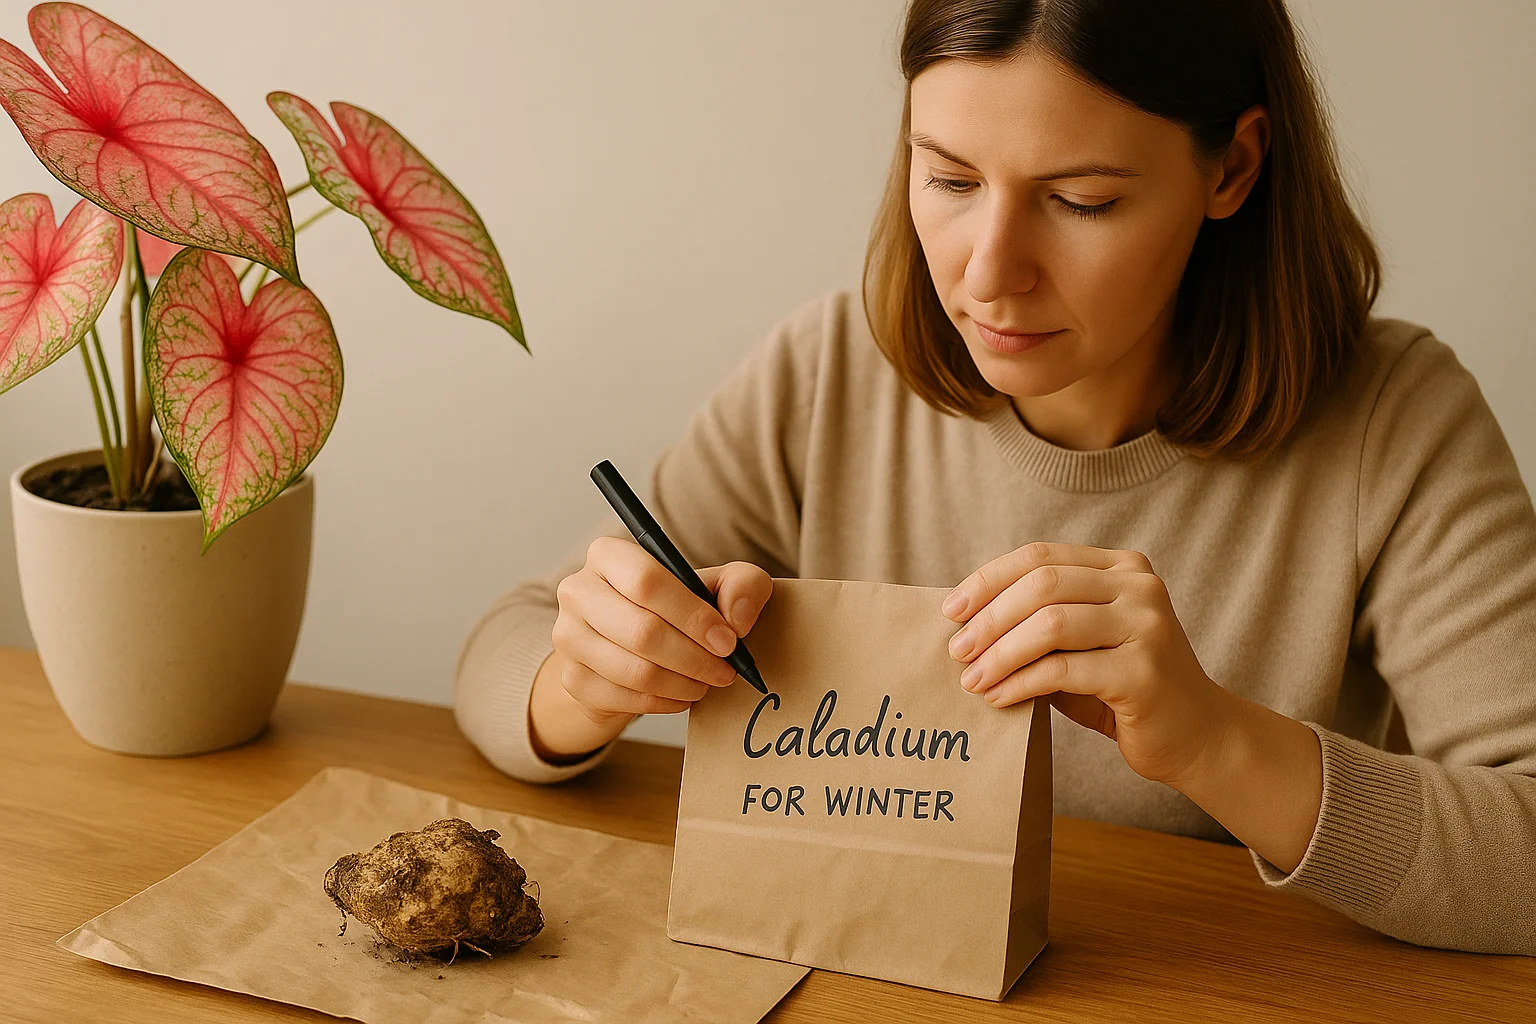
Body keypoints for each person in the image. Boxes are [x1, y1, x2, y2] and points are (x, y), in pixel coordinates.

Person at [455, 0, 1536, 955]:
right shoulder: (829, 372)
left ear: (1233, 168)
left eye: (1081, 201)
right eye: (951, 178)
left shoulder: (1397, 419)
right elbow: (510, 646)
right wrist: (584, 683)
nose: (987, 271)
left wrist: (1214, 739)